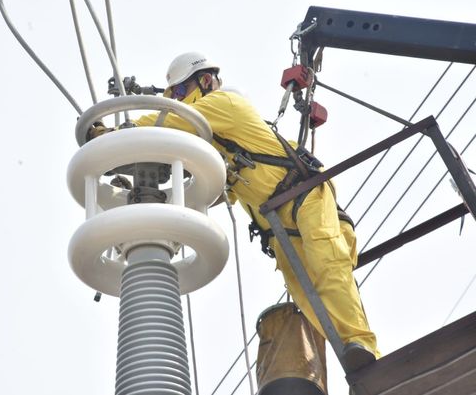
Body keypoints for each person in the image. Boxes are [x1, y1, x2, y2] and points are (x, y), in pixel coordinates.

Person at [88, 52, 380, 372]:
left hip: (305, 197)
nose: (179, 101)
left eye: (181, 93)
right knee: (304, 289)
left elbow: (171, 123)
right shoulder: (214, 146)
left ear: (205, 81)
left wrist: (113, 134)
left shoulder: (224, 104)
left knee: (326, 265)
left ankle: (362, 344)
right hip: (276, 223)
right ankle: (353, 360)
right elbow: (206, 189)